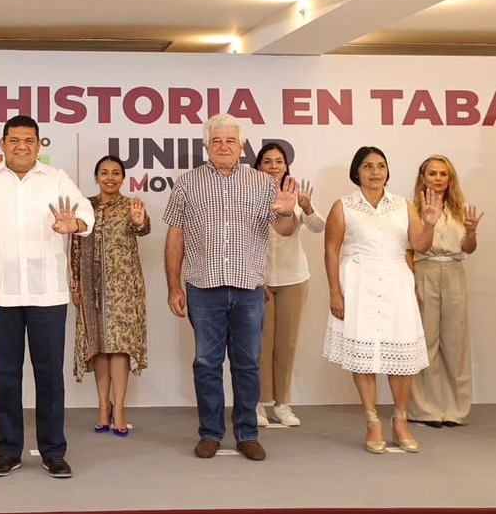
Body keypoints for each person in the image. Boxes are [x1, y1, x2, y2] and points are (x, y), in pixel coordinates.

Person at [0, 115, 94, 478]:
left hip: (47, 294)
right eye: (14, 139)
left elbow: (86, 212)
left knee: (49, 376)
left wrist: (73, 225)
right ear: (2, 144)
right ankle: (8, 451)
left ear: (39, 145)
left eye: (29, 140)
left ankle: (53, 451)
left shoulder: (57, 178)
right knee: (6, 377)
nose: (21, 146)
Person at [163, 114, 297, 462]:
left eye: (230, 141)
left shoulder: (263, 183)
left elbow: (283, 230)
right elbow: (174, 236)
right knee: (206, 363)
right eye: (217, 141)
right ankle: (210, 433)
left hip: (248, 288)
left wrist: (285, 212)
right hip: (202, 287)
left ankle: (247, 433)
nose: (224, 146)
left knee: (248, 363)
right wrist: (173, 286)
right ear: (206, 146)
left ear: (241, 146)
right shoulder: (187, 183)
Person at [323, 146, 441, 454]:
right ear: (356, 172)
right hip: (358, 282)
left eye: (381, 165)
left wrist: (429, 224)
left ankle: (399, 420)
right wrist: (335, 291)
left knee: (401, 354)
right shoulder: (343, 206)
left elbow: (420, 246)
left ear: (388, 171)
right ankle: (372, 420)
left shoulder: (403, 205)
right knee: (364, 354)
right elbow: (331, 250)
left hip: (396, 282)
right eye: (367, 166)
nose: (375, 171)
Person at [70, 155, 149, 437]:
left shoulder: (131, 206)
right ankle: (103, 406)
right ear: (96, 177)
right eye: (104, 172)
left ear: (123, 178)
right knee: (99, 345)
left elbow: (143, 227)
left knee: (119, 346)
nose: (110, 177)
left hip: (123, 286)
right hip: (91, 287)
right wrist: (75, 284)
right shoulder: (84, 207)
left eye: (116, 173)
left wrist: (139, 222)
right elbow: (75, 247)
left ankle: (121, 409)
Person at [252, 144, 325, 427]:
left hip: (294, 279)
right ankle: (258, 403)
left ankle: (282, 404)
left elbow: (318, 227)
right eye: (267, 161)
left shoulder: (294, 195)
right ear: (258, 167)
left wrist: (306, 207)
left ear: (286, 167)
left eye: (278, 161)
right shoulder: (249, 195)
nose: (273, 166)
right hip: (259, 282)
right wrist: (259, 279)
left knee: (287, 344)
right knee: (259, 345)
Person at [407, 155, 483, 428]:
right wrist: (412, 280)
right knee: (425, 341)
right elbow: (408, 248)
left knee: (455, 342)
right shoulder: (412, 209)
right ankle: (426, 409)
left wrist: (472, 232)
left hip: (453, 273)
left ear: (450, 179)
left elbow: (468, 247)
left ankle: (455, 409)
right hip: (424, 270)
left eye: (443, 174)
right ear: (422, 177)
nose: (438, 179)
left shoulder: (459, 209)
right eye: (432, 173)